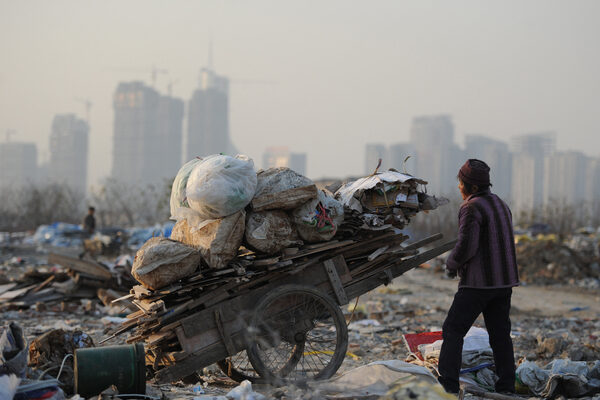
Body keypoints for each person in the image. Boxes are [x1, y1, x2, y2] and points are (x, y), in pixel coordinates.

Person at [438, 159, 519, 395]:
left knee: (453, 330)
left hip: (478, 284)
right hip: (504, 283)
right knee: (500, 335)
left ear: (472, 188)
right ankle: (506, 387)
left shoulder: (471, 207)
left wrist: (451, 264)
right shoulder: (502, 204)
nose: (459, 188)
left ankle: (449, 388)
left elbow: (466, 246)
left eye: (461, 184)